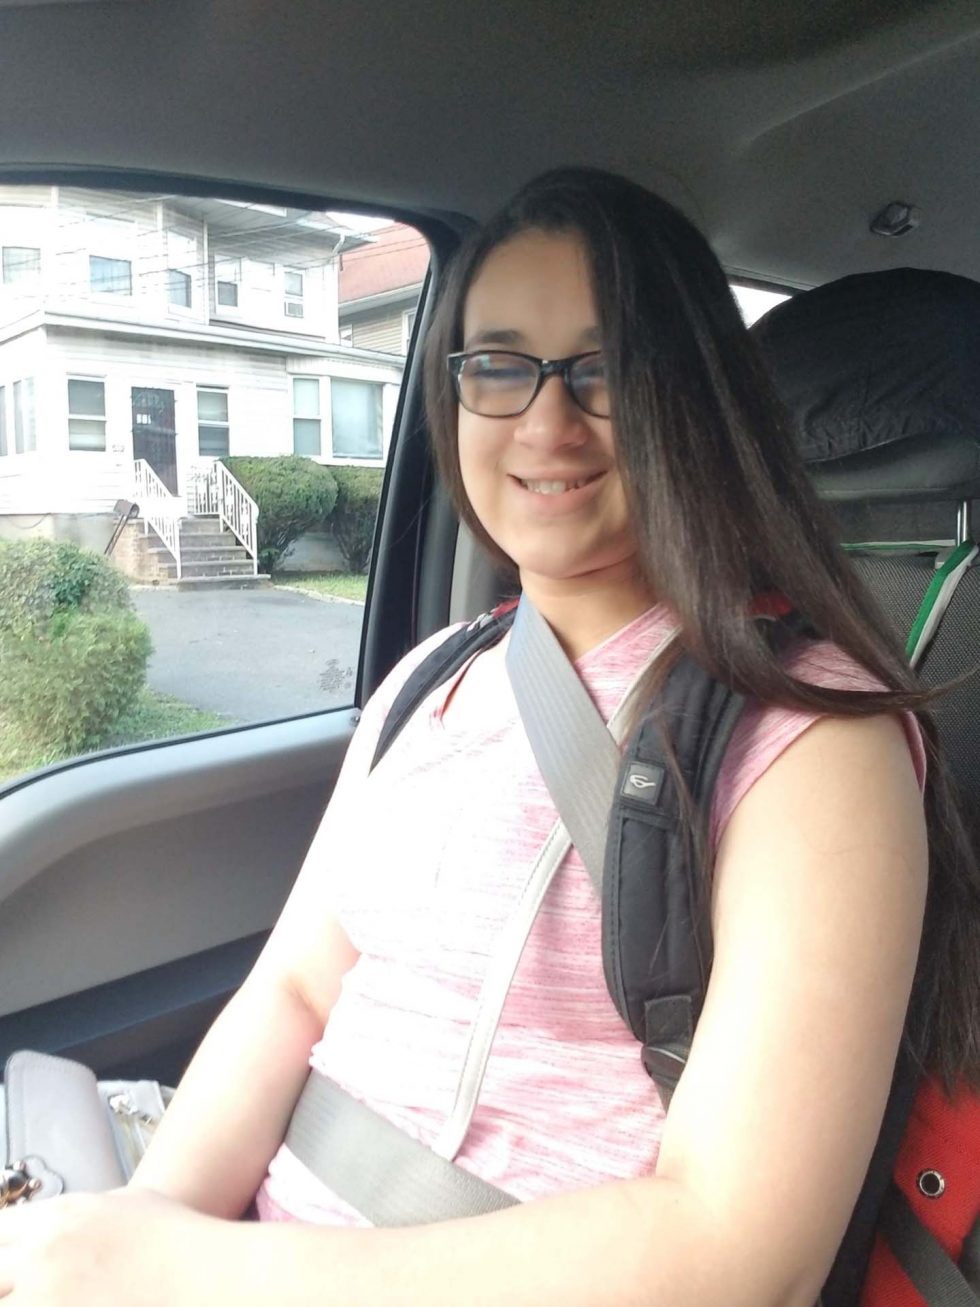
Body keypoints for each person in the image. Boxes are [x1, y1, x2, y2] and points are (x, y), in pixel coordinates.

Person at [1, 167, 978, 1307]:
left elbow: (737, 1252)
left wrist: (193, 1272)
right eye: (499, 366)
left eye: (605, 370)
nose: (546, 421)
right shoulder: (428, 679)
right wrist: (143, 1226)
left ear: (692, 400)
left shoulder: (811, 740)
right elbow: (297, 989)